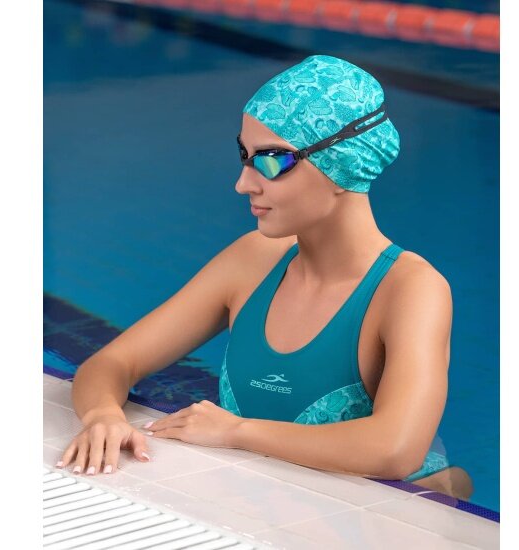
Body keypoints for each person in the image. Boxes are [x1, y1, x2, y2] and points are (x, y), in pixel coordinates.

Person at [54, 55, 473, 500]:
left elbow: (396, 450)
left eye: (272, 161)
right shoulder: (252, 261)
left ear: (342, 165)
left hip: (388, 511)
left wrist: (237, 431)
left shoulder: (410, 289)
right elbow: (112, 363)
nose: (244, 183)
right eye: (245, 156)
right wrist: (103, 415)